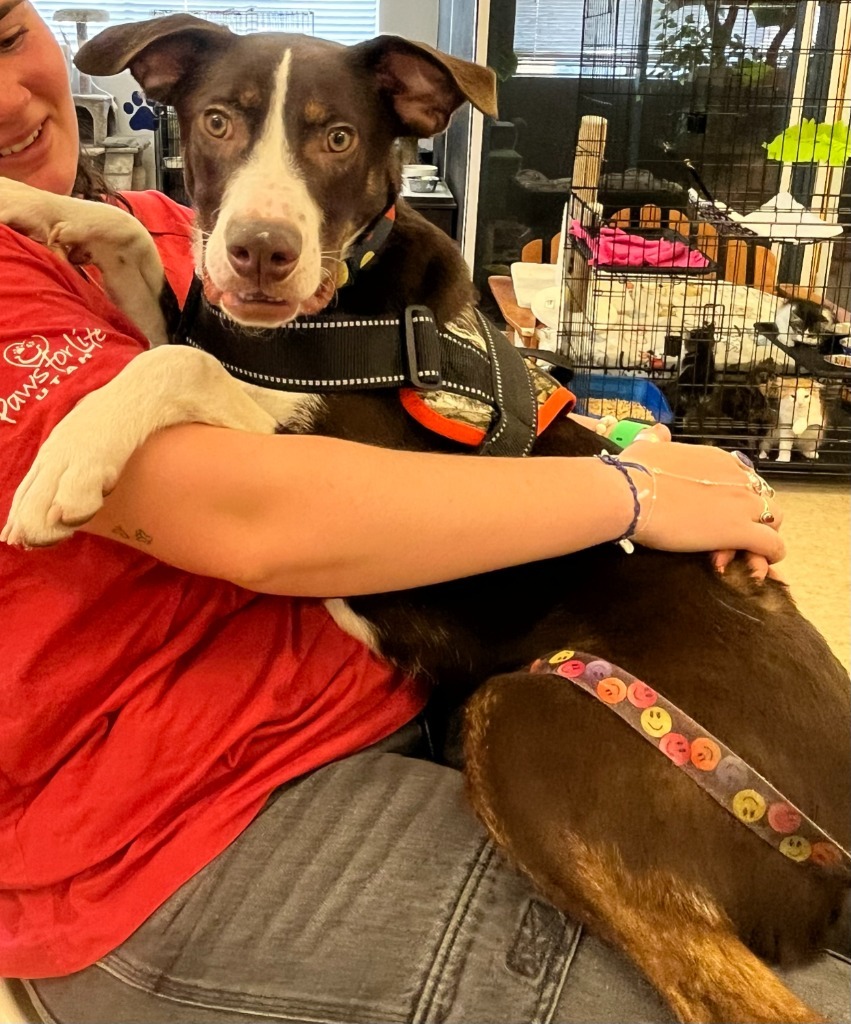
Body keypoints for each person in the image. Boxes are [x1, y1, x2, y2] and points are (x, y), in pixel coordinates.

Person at [1, 4, 847, 1022]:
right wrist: (626, 492)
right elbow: (253, 513)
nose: (8, 93)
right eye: (224, 124)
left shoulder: (248, 247)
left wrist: (625, 451)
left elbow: (462, 407)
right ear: (179, 104)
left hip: (622, 688)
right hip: (179, 835)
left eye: (7, 35)